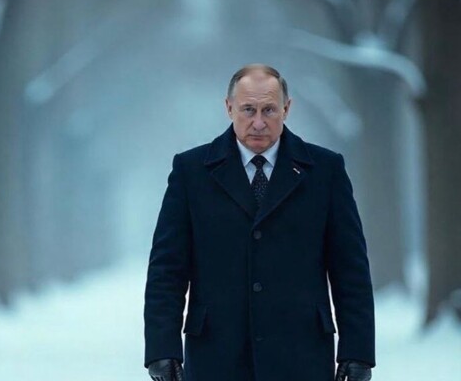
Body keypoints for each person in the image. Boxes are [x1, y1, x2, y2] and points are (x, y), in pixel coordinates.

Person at [144, 64, 375, 381]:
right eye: (248, 110)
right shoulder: (191, 171)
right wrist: (162, 348)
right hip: (216, 354)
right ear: (229, 108)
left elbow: (350, 268)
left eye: (269, 110)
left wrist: (357, 350)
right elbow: (166, 269)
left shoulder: (325, 170)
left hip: (302, 354)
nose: (258, 122)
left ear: (286, 109)